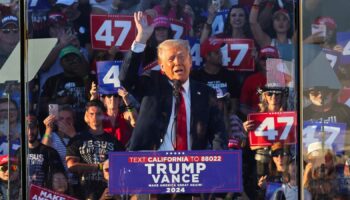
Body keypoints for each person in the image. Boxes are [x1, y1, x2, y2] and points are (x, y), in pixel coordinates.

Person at [120, 11, 227, 152]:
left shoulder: (207, 93)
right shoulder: (151, 84)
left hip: (192, 167)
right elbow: (127, 78)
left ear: (190, 61)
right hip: (150, 164)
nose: (177, 62)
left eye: (182, 57)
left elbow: (217, 134)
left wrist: (218, 163)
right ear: (162, 65)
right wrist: (141, 39)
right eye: (171, 59)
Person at [66, 100, 124, 200]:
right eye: (91, 114)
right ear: (86, 115)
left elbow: (123, 168)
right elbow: (71, 166)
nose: (94, 117)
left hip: (108, 191)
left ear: (103, 115)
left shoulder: (114, 141)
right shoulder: (78, 139)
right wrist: (99, 167)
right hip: (84, 192)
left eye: (98, 114)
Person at [191, 37, 241, 114]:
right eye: (217, 52)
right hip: (204, 120)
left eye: (220, 52)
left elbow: (234, 103)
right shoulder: (196, 77)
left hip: (226, 118)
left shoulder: (229, 75)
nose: (221, 55)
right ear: (207, 57)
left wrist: (228, 119)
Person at [27, 114, 65, 188]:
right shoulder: (19, 152)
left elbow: (60, 179)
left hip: (44, 195)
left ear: (38, 129)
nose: (29, 132)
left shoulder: (50, 152)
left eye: (33, 128)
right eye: (26, 128)